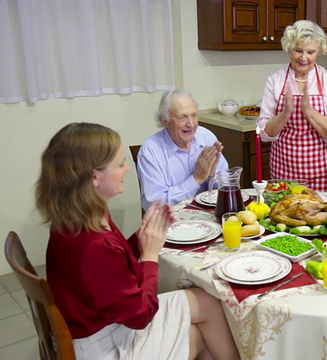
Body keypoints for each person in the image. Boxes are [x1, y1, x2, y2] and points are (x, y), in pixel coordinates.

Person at [35, 123, 239, 360]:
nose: (126, 169)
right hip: (105, 345)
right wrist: (150, 256)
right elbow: (141, 315)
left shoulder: (80, 215)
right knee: (201, 332)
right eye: (120, 164)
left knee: (207, 303)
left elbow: (112, 270)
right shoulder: (92, 247)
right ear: (95, 177)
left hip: (105, 322)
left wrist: (142, 236)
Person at [257, 20, 327, 191]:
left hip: (321, 172)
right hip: (284, 170)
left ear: (319, 52)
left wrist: (309, 111)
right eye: (298, 50)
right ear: (289, 48)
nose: (303, 58)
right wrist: (286, 113)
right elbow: (264, 133)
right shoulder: (275, 80)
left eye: (310, 52)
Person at [138, 88, 229, 210]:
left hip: (208, 218)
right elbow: (155, 206)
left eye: (194, 115)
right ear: (165, 120)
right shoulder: (150, 151)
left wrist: (213, 176)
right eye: (182, 117)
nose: (191, 124)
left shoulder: (206, 136)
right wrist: (196, 179)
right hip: (170, 223)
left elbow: (228, 185)